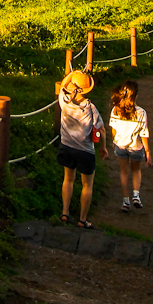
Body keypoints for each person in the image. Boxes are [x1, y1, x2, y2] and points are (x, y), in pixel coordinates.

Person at [55, 69, 103, 227]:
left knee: (68, 179)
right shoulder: (91, 108)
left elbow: (63, 85)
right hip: (85, 150)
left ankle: (64, 212)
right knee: (87, 185)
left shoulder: (64, 101)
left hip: (67, 145)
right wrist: (103, 147)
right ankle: (82, 219)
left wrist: (71, 74)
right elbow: (101, 130)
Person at [108, 82, 150, 211]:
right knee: (136, 170)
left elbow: (113, 129)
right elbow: (144, 133)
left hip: (120, 145)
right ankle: (136, 195)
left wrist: (114, 140)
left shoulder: (116, 110)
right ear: (135, 95)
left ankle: (125, 201)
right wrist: (147, 151)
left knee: (123, 172)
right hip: (135, 146)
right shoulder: (141, 112)